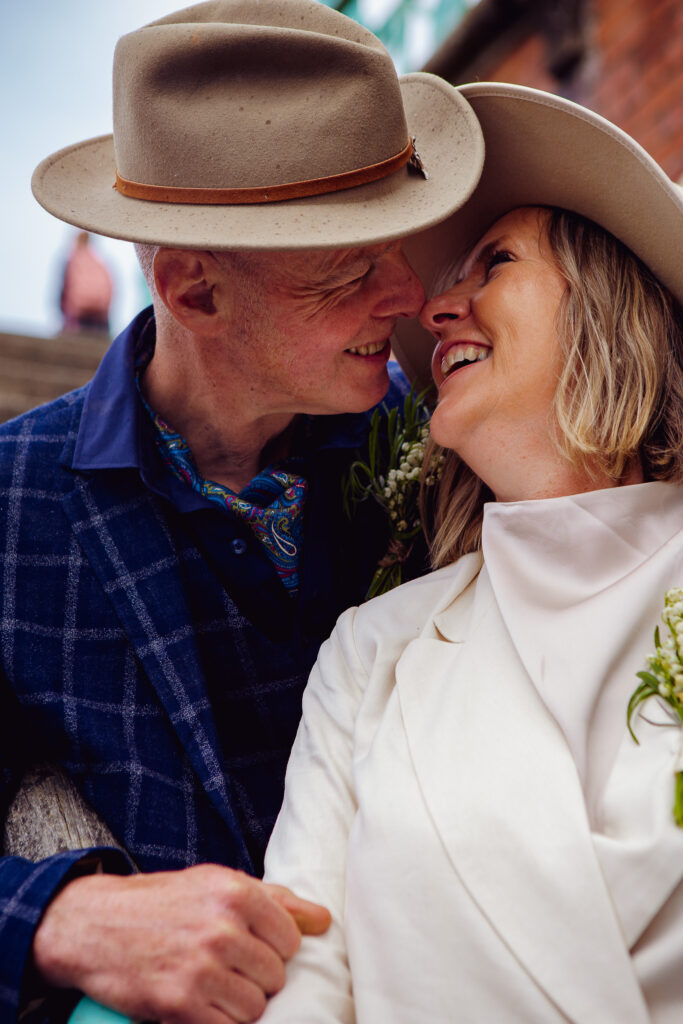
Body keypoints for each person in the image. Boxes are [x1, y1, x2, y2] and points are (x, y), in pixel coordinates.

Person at [0, 2, 485, 1021]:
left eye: (394, 245)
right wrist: (55, 920)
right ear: (193, 288)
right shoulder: (10, 498)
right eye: (346, 271)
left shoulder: (463, 437)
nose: (404, 294)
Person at [261, 83, 683, 1022]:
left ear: (608, 309)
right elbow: (307, 975)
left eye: (493, 264)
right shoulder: (372, 651)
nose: (436, 307)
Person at [59, 231, 113, 336]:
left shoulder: (72, 261)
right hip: (99, 315)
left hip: (78, 315)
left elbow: (64, 289)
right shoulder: (99, 262)